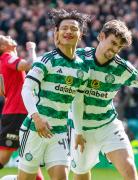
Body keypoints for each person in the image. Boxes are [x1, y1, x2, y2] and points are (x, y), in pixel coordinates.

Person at [68, 20, 138, 180]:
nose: (114, 49)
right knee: (81, 176)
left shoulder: (122, 68)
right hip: (81, 129)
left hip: (108, 125)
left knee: (129, 171)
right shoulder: (78, 59)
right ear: (101, 36)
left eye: (118, 47)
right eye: (112, 42)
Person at [18, 8, 90, 180]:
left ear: (80, 35)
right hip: (35, 129)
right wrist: (37, 118)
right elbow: (26, 89)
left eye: (74, 28)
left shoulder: (83, 69)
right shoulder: (46, 60)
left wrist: (79, 132)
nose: (68, 31)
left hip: (60, 132)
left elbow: (78, 102)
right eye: (64, 28)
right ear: (57, 33)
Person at [0, 35, 44, 180]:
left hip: (21, 112)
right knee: (3, 156)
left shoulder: (4, 62)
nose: (8, 36)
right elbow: (29, 64)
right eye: (4, 37)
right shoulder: (6, 57)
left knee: (30, 153)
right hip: (16, 113)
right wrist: (32, 49)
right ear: (2, 47)